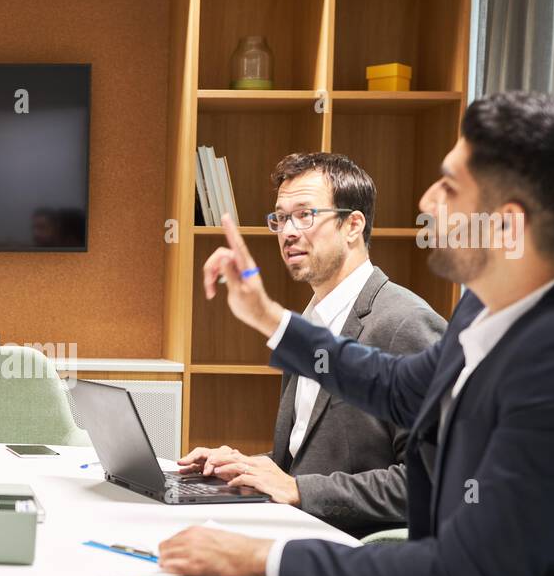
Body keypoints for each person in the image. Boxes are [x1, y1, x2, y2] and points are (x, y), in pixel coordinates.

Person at [160, 91, 554, 576]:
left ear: (506, 225)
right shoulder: (491, 304)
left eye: (450, 186)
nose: (427, 202)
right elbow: (400, 387)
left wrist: (261, 557)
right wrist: (267, 316)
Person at [177, 153, 445, 537]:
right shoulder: (308, 323)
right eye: (281, 217)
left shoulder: (406, 322)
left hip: (355, 550)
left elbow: (426, 483)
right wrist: (243, 466)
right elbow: (306, 465)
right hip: (296, 529)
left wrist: (298, 489)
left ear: (353, 224)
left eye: (305, 215)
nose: (288, 232)